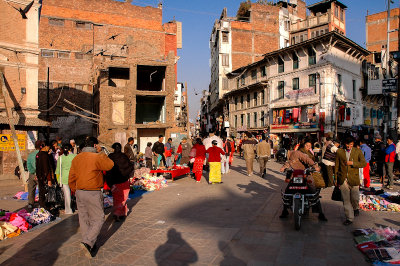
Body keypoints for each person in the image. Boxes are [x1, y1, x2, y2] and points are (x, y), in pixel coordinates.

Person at [68, 137, 114, 257]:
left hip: (79, 191)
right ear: (94, 145)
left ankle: (88, 242)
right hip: (93, 191)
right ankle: (88, 242)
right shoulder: (97, 157)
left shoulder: (77, 158)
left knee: (84, 218)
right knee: (98, 218)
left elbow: (71, 176)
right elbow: (110, 165)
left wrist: (74, 189)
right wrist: (101, 152)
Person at [279, 141, 327, 221]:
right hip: (296, 176)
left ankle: (320, 214)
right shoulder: (290, 157)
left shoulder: (297, 153)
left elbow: (307, 159)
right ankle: (285, 211)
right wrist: (283, 168)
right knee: (287, 192)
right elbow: (288, 163)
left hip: (306, 174)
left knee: (313, 192)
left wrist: (315, 166)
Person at [335, 137, 367, 226]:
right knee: (346, 200)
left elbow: (363, 163)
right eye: (347, 144)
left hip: (354, 178)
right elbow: (337, 165)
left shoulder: (358, 151)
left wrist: (353, 163)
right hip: (343, 179)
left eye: (351, 144)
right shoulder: (339, 152)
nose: (349, 146)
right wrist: (336, 178)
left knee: (355, 198)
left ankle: (356, 208)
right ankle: (349, 218)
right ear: (344, 144)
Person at [105, 143, 134, 221]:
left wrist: (109, 181)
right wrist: (126, 174)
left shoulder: (110, 156)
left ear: (113, 148)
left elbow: (107, 170)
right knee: (123, 198)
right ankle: (119, 213)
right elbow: (130, 167)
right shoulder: (124, 156)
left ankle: (117, 212)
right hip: (123, 181)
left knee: (116, 198)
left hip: (114, 182)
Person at [55, 144, 76, 214]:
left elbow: (58, 170)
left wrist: (58, 180)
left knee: (67, 195)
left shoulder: (60, 158)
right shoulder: (75, 156)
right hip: (74, 177)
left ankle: (68, 210)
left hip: (64, 177)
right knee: (76, 193)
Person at [35, 141, 55, 209]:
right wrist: (49, 179)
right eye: (48, 147)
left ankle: (42, 206)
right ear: (45, 146)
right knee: (46, 194)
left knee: (41, 193)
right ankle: (45, 207)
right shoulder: (45, 155)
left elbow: (38, 167)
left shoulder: (38, 154)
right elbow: (47, 168)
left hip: (40, 177)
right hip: (45, 177)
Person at [26, 140, 42, 209]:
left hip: (32, 174)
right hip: (40, 174)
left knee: (31, 189)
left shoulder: (31, 155)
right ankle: (41, 203)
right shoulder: (42, 154)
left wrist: (33, 172)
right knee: (41, 189)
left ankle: (30, 203)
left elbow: (28, 165)